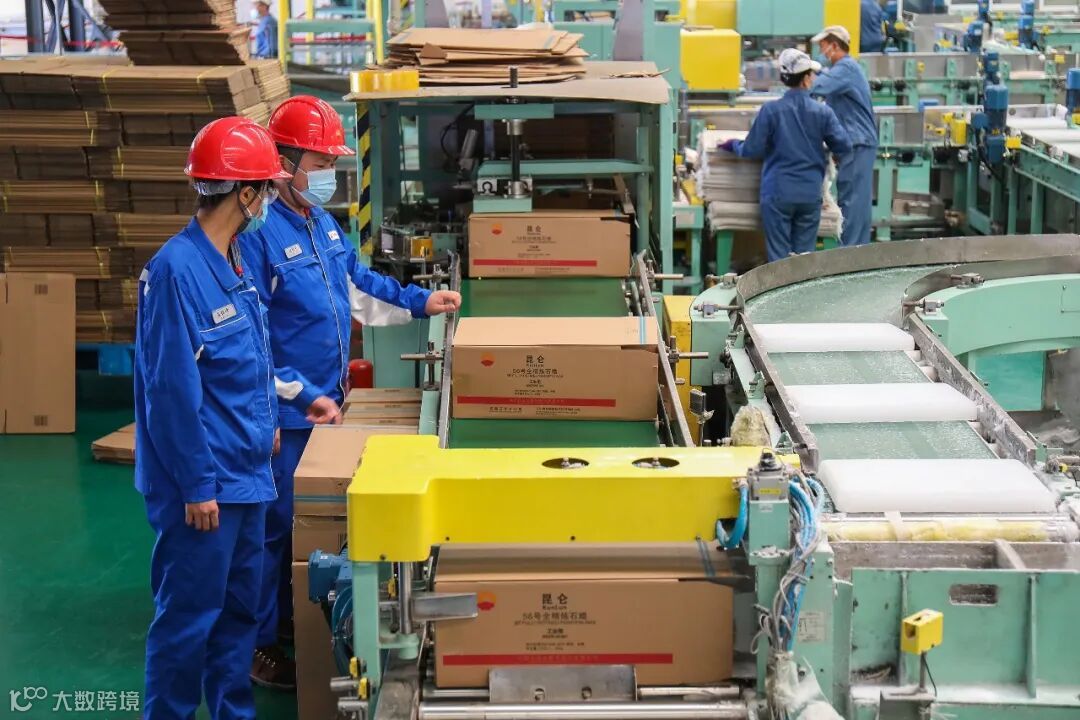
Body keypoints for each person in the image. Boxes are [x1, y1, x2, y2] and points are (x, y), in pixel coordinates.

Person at [238, 95, 462, 689]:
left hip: (325, 401)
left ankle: (292, 615)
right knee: (273, 528)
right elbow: (252, 335)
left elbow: (357, 280)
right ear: (285, 163)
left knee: (300, 524)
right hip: (285, 410)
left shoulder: (321, 224)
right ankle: (259, 645)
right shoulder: (258, 235)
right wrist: (288, 399)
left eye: (334, 162)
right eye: (321, 162)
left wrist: (421, 301)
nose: (329, 174)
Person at [134, 116, 292, 719]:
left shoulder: (236, 258)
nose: (269, 202)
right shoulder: (174, 271)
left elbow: (249, 356)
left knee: (238, 616)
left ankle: (233, 712)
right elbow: (170, 392)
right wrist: (198, 486)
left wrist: (267, 423)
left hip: (248, 475)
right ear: (245, 194)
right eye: (267, 189)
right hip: (204, 491)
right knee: (189, 619)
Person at [719, 49, 851, 262]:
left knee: (778, 260)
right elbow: (844, 145)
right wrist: (828, 152)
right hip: (809, 193)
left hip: (778, 193)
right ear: (806, 79)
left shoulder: (771, 111)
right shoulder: (822, 112)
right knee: (804, 260)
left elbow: (752, 149)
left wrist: (733, 145)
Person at [811, 25, 879, 248]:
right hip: (853, 142)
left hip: (858, 142)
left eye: (823, 47)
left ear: (834, 45)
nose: (822, 52)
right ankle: (852, 251)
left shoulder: (846, 68)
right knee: (851, 198)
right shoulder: (841, 70)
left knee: (853, 202)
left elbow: (816, 87)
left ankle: (852, 255)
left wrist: (801, 74)